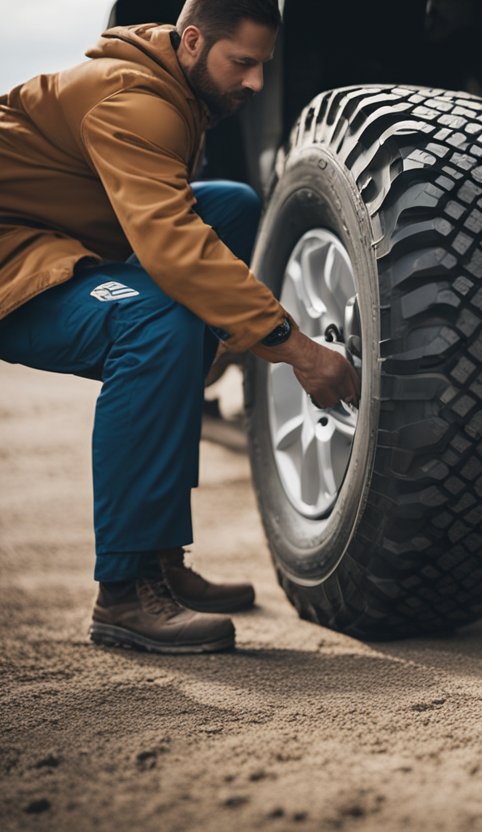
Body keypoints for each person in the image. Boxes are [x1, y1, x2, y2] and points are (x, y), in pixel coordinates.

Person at [0, 0, 360, 654]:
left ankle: (162, 555)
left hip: (63, 234)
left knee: (235, 209)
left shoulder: (174, 84)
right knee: (158, 314)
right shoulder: (137, 102)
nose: (255, 82)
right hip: (12, 260)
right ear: (191, 42)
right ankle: (124, 591)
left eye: (262, 66)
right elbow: (171, 248)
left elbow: (186, 228)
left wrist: (226, 332)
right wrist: (294, 348)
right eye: (242, 63)